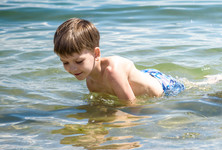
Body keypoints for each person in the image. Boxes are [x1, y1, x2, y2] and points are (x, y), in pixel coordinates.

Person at [54, 18, 185, 104]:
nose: (72, 69)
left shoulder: (112, 72)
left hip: (164, 86)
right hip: (140, 76)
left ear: (96, 53)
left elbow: (131, 106)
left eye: (78, 61)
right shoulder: (90, 80)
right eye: (65, 62)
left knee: (196, 89)